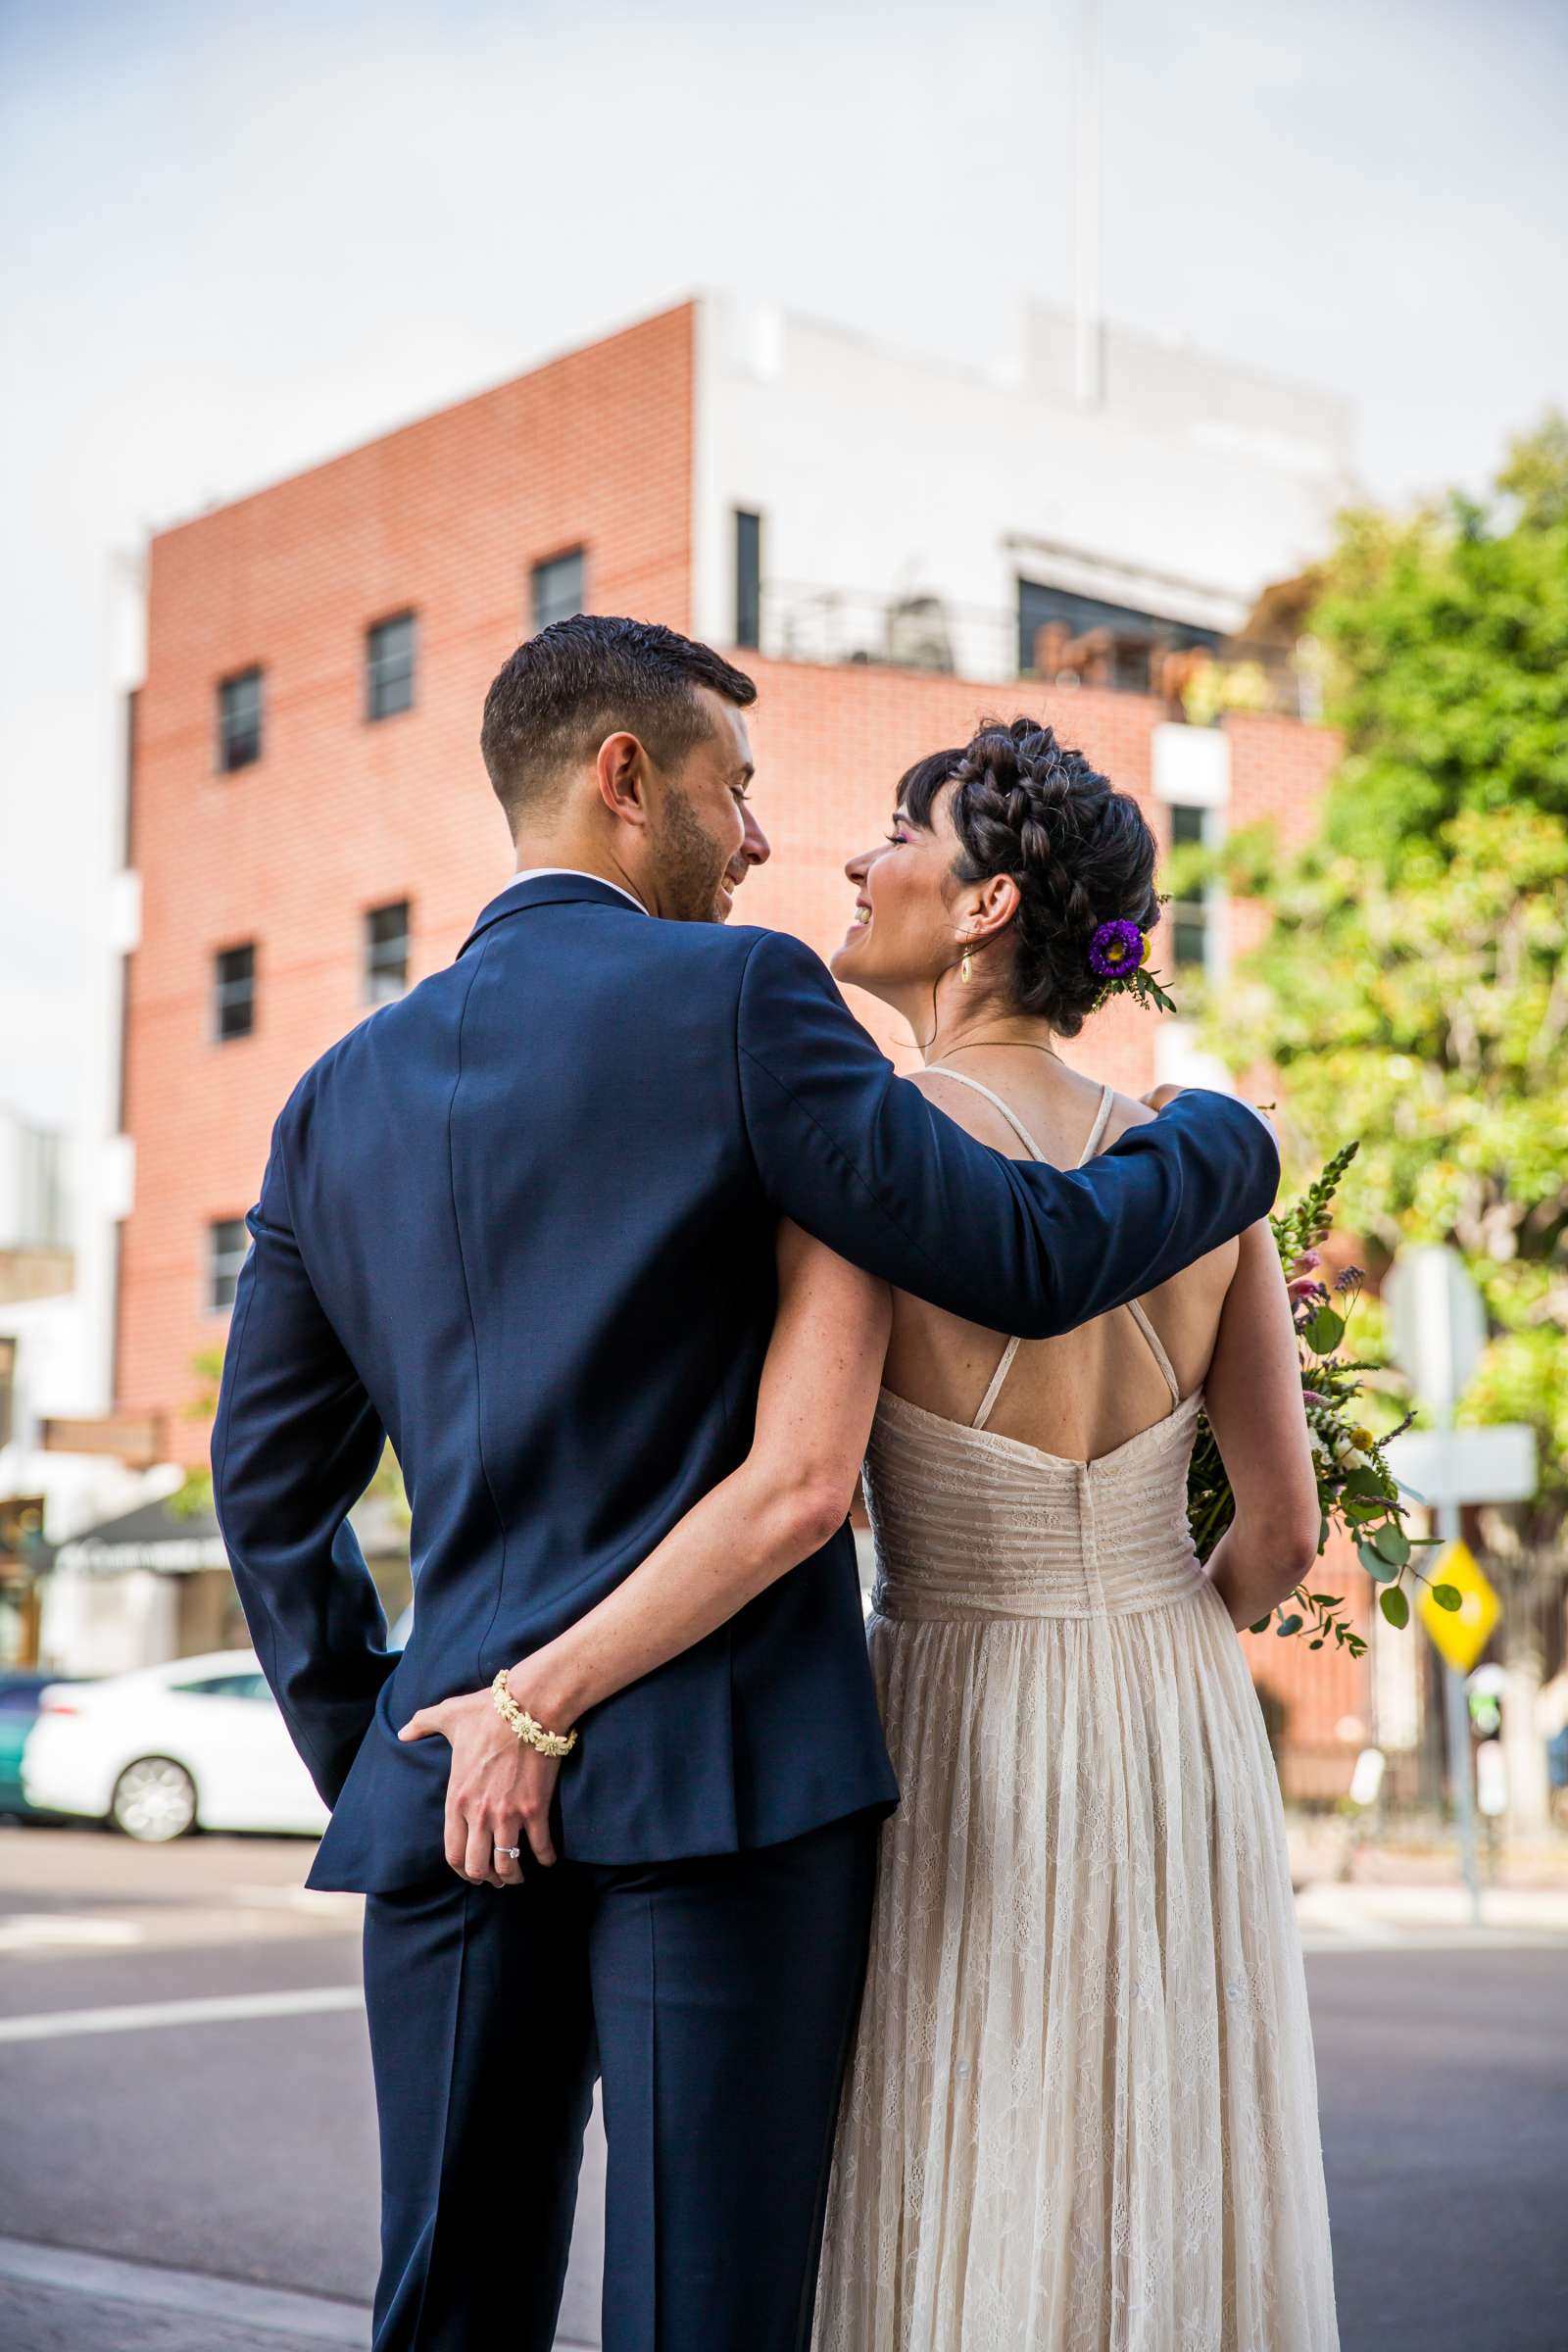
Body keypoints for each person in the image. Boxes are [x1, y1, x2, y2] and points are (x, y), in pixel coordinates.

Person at [211, 619, 1278, 2352]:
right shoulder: (744, 998)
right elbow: (1022, 1252)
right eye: (738, 790)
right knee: (703, 2312)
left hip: (447, 1799)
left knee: (446, 2306)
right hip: (726, 1795)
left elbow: (265, 1494)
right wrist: (1224, 1139)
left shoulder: (333, 1099)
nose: (766, 842)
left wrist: (405, 1752)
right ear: (626, 781)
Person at [806, 723, 1340, 2350]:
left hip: (956, 1702)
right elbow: (1284, 1530)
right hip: (1171, 1712)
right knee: (1155, 2136)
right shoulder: (1197, 1173)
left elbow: (808, 1494)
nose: (857, 856)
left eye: (903, 828)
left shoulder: (865, 1163)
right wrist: (1157, 1611)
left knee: (966, 2125)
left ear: (985, 908)